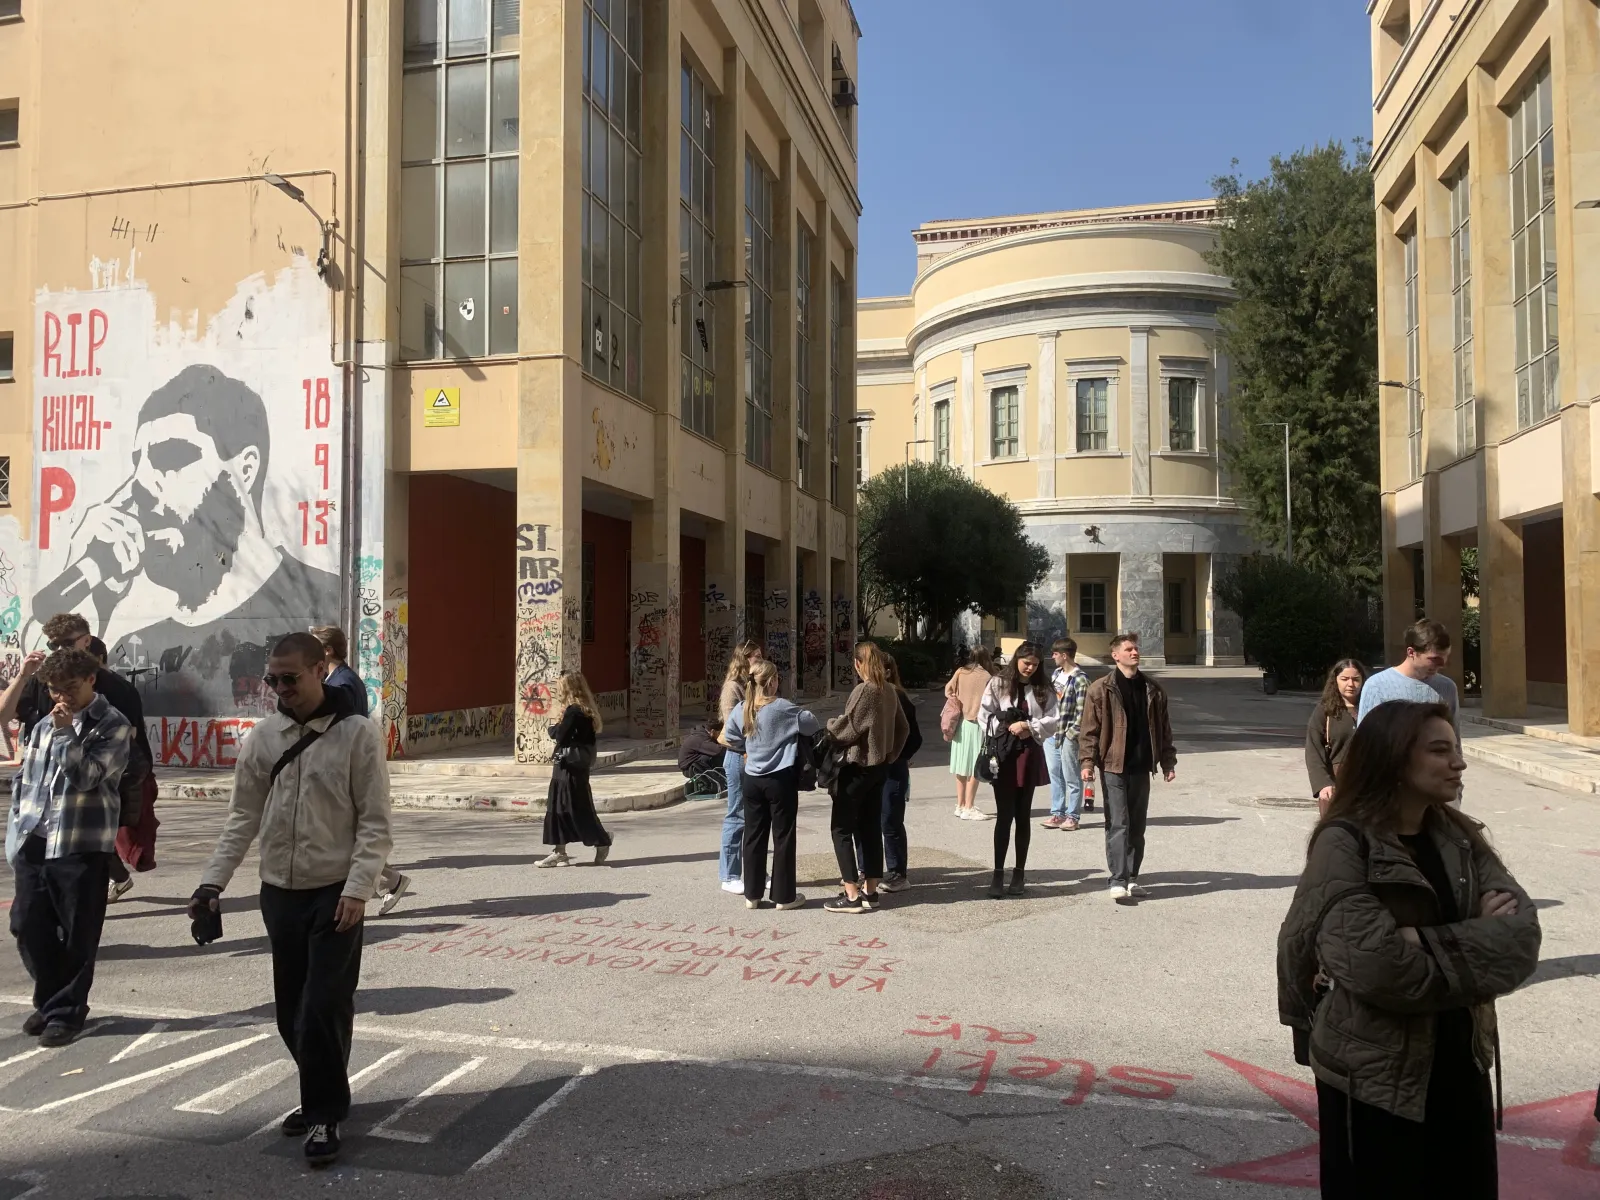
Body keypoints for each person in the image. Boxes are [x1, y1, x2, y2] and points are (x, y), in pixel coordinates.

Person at [1277, 700, 1540, 1198]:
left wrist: (1420, 940)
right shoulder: (1344, 843)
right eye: (1440, 750)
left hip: (1461, 1063)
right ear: (1394, 759)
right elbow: (1373, 965)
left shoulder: (1460, 836)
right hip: (1373, 1077)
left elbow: (1522, 940)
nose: (1458, 762)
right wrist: (1475, 937)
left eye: (1456, 749)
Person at [32, 365, 342, 715]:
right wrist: (98, 601)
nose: (143, 485)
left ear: (245, 468)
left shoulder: (314, 608)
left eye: (171, 457)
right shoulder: (131, 644)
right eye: (137, 463)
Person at [188, 632, 391, 1167]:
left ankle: (323, 1112)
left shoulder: (357, 735)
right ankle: (323, 1089)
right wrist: (211, 884)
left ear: (321, 669)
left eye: (290, 678)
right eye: (272, 679)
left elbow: (374, 822)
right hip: (279, 893)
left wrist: (358, 888)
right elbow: (241, 820)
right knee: (291, 1013)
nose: (279, 688)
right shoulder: (262, 739)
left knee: (323, 1005)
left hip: (335, 892)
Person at [7, 647, 133, 1046]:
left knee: (78, 932)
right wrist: (19, 824)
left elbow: (87, 777)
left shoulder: (111, 724)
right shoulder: (45, 722)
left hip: (80, 842)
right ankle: (49, 1000)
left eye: (71, 689)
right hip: (36, 838)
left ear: (91, 681)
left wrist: (66, 733)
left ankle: (66, 1011)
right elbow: (30, 776)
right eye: (55, 690)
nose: (62, 698)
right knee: (26, 925)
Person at [1, 612, 156, 902]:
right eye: (53, 645)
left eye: (66, 643)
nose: (59, 650)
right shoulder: (42, 680)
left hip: (84, 793)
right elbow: (3, 716)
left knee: (75, 872)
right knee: (19, 858)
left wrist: (68, 736)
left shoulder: (115, 690)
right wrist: (23, 676)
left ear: (86, 641)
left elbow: (124, 743)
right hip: (37, 795)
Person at [310, 625, 410, 915]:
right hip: (346, 766)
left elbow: (343, 729)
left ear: (327, 650)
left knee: (348, 838)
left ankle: (391, 881)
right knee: (346, 838)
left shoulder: (341, 683)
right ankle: (389, 881)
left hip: (346, 768)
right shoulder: (341, 678)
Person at [1080, 631, 1176, 904]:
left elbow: (1164, 729)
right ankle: (1118, 880)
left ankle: (1133, 878)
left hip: (1142, 765)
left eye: (1136, 649)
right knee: (1118, 823)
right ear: (1115, 655)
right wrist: (1087, 762)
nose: (1135, 652)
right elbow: (1089, 731)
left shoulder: (1153, 690)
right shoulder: (1100, 689)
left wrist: (1167, 761)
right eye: (1129, 649)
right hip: (1113, 765)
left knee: (1137, 827)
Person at [721, 659, 816, 911]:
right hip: (779, 778)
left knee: (753, 835)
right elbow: (811, 723)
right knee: (783, 837)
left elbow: (729, 737)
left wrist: (747, 748)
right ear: (772, 682)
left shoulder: (743, 708)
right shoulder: (784, 708)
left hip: (751, 778)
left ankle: (752, 895)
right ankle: (784, 897)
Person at [824, 642, 909, 914]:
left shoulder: (865, 690)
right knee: (871, 827)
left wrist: (828, 726)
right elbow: (903, 729)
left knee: (841, 828)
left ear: (859, 664)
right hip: (879, 768)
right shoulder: (890, 691)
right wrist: (890, 755)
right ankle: (871, 893)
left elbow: (846, 730)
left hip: (857, 767)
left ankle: (851, 895)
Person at [977, 641, 1059, 898]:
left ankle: (1019, 873)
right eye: (1026, 663)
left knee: (1023, 815)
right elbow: (984, 714)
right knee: (1004, 816)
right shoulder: (998, 683)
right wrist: (1004, 722)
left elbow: (1053, 719)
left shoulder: (1044, 687)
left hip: (1028, 754)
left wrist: (1029, 726)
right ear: (1017, 660)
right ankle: (997, 874)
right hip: (1003, 753)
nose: (1030, 668)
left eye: (1035, 664)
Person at [536, 672, 612, 867]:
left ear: (568, 688)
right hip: (573, 767)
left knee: (571, 808)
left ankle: (601, 840)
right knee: (564, 808)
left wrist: (552, 727)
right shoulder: (585, 710)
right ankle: (560, 851)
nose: (557, 690)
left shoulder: (574, 711)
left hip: (569, 768)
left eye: (560, 686)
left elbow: (560, 735)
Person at [716, 641, 764, 894]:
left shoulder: (752, 686)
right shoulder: (732, 688)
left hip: (754, 756)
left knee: (755, 818)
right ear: (743, 659)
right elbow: (733, 729)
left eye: (759, 655)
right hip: (737, 756)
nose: (759, 658)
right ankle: (730, 874)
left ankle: (757, 871)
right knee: (736, 815)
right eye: (754, 656)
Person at [1357, 619, 1459, 728]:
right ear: (1411, 652)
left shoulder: (1447, 687)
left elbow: (1454, 739)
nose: (1442, 665)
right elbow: (1364, 738)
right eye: (1434, 659)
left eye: (1445, 658)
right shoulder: (1377, 686)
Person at [875, 655, 921, 892]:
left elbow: (914, 735)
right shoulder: (868, 692)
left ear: (889, 671)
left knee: (890, 820)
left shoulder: (897, 695)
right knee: (872, 819)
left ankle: (897, 873)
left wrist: (899, 756)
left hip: (892, 768)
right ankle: (868, 871)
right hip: (874, 767)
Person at [1306, 659, 1366, 816]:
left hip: (1366, 782)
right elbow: (1314, 751)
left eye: (1356, 679)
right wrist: (1323, 784)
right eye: (1345, 679)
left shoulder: (1372, 707)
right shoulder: (1325, 711)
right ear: (1336, 681)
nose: (1351, 684)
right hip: (1335, 784)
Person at [1041, 638, 1088, 831]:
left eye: (1055, 654)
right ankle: (1057, 814)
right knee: (1055, 775)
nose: (1052, 657)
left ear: (1064, 655)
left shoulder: (1080, 679)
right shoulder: (1056, 673)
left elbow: (1083, 711)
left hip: (1068, 734)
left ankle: (1073, 816)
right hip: (1052, 732)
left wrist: (1072, 733)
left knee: (1071, 776)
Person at [943, 646, 995, 821]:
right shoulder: (988, 676)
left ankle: (960, 804)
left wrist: (958, 699)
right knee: (976, 765)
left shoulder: (960, 672)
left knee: (960, 765)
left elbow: (948, 691)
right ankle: (969, 806)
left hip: (961, 723)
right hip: (978, 724)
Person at [312, 626, 369, 718]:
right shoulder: (346, 676)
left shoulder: (340, 684)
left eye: (314, 647)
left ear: (328, 650)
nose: (311, 652)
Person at [678, 717, 727, 790]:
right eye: (719, 733)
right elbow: (718, 750)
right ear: (713, 731)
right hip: (690, 768)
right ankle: (717, 783)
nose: (719, 736)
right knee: (716, 756)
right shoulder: (701, 739)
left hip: (695, 764)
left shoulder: (704, 735)